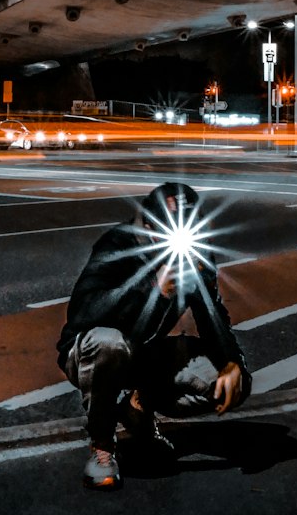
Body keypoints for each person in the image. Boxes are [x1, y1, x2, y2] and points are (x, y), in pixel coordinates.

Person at [57, 181, 252, 490]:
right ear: (149, 223)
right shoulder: (118, 244)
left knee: (230, 383)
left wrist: (231, 362)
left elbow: (211, 312)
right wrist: (152, 289)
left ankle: (138, 407)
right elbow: (83, 313)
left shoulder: (193, 251)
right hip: (90, 354)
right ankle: (102, 446)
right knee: (110, 343)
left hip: (144, 354)